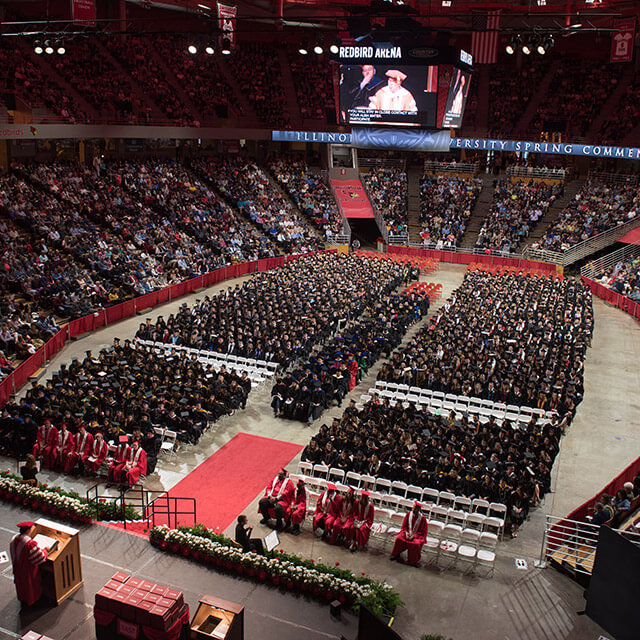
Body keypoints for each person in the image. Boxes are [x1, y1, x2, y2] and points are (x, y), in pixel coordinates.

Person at [9, 521, 48, 606]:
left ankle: (23, 598)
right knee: (30, 586)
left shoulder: (14, 539)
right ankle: (32, 601)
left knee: (21, 586)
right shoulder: (29, 544)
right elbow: (39, 557)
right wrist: (45, 550)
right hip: (27, 570)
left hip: (17, 568)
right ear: (28, 531)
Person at [390, 502, 427, 567]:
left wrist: (414, 536)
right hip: (407, 533)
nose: (414, 510)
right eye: (413, 508)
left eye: (415, 509)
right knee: (399, 539)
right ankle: (396, 555)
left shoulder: (422, 518)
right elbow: (404, 526)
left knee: (416, 544)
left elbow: (422, 532)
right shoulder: (408, 514)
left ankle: (413, 561)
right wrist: (406, 533)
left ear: (419, 510)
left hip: (417, 536)